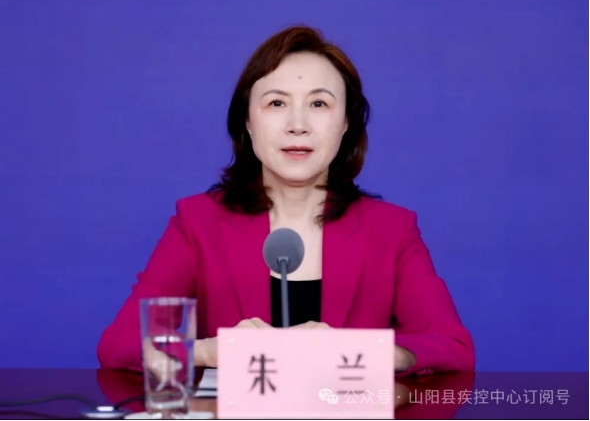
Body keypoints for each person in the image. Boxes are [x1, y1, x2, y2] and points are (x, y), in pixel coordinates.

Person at [97, 25, 475, 376]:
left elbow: (453, 347)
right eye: (277, 104)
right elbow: (119, 343)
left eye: (319, 104)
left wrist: (363, 352)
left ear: (345, 123)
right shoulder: (198, 222)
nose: (298, 125)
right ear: (247, 121)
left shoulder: (392, 230)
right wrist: (208, 352)